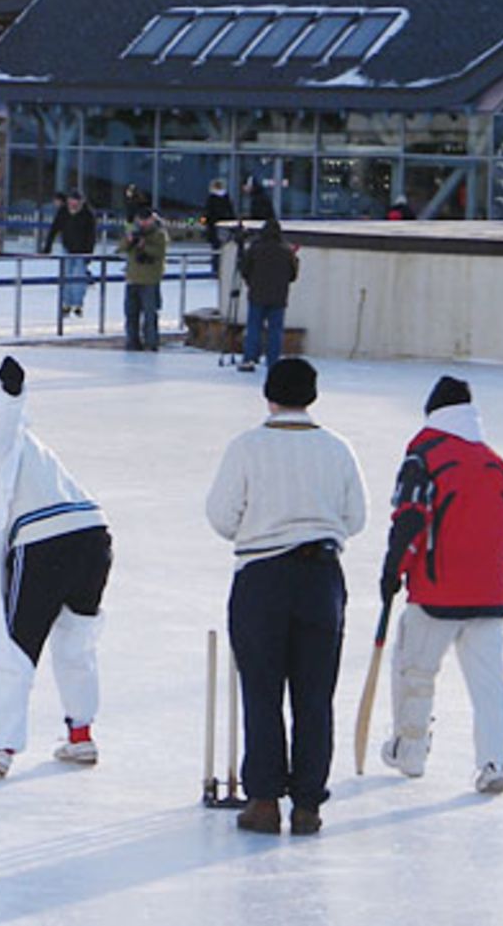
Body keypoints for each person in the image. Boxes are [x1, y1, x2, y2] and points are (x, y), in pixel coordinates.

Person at [206, 358, 368, 835]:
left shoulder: (247, 447)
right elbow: (356, 518)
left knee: (262, 691)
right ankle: (308, 804)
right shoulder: (337, 448)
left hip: (262, 576)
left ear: (269, 395)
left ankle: (263, 800)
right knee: (315, 696)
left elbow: (221, 515)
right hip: (321, 577)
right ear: (312, 396)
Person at [0, 356, 113, 779]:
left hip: (45, 543)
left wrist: (11, 391)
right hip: (93, 536)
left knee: (10, 646)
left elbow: (2, 422)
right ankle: (81, 735)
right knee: (77, 641)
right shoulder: (34, 447)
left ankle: (0, 748)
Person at [378, 376, 503, 794]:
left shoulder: (424, 454)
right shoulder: (497, 464)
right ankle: (493, 763)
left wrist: (394, 569)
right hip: (491, 593)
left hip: (436, 590)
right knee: (489, 684)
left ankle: (411, 750)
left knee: (415, 670)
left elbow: (410, 516)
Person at [237, 217, 299, 372]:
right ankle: (273, 361)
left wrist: (251, 282)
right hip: (279, 297)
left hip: (257, 294)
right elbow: (293, 275)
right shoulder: (286, 250)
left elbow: (245, 269)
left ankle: (249, 359)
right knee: (275, 331)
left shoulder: (255, 248)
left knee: (254, 328)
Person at [116, 206, 168, 351]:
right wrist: (129, 240)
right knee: (131, 314)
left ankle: (151, 342)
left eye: (147, 220)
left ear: (152, 219)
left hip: (150, 280)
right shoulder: (133, 231)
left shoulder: (159, 234)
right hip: (132, 278)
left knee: (150, 314)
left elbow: (159, 252)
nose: (143, 223)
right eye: (141, 220)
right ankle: (132, 342)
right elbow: (120, 248)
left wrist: (144, 246)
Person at [43, 189, 97, 316]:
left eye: (75, 202)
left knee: (79, 277)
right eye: (71, 202)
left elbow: (91, 235)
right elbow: (54, 228)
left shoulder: (87, 214)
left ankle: (77, 304)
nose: (73, 204)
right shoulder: (63, 212)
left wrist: (89, 254)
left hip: (82, 250)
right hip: (67, 248)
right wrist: (48, 246)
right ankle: (66, 304)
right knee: (66, 276)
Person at [201, 179, 235, 269]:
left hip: (214, 228)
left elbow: (206, 214)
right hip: (226, 229)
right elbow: (232, 214)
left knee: (216, 250)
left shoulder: (211, 199)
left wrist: (202, 222)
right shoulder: (227, 199)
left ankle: (216, 267)